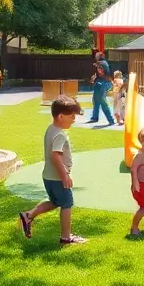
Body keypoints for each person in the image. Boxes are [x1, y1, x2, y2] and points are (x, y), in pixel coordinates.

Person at [18, 95, 87, 246]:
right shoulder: (59, 135)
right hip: (57, 178)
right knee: (67, 204)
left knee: (55, 202)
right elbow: (55, 156)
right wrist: (65, 176)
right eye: (71, 116)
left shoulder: (51, 129)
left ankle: (28, 215)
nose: (74, 119)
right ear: (61, 116)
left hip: (48, 176)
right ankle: (66, 238)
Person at [88, 50, 114, 126]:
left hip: (102, 84)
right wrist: (94, 78)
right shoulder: (104, 63)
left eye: (96, 55)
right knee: (96, 101)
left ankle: (110, 119)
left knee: (102, 102)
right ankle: (95, 117)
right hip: (101, 84)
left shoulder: (101, 63)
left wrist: (97, 67)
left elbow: (101, 70)